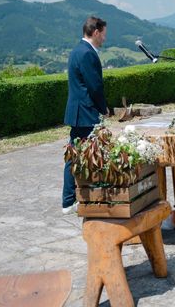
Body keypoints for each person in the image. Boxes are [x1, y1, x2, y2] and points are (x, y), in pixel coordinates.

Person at [62, 16, 109, 214]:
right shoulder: (88, 53)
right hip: (86, 112)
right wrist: (104, 108)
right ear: (96, 32)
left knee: (75, 154)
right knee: (83, 154)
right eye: (104, 34)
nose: (105, 39)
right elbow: (94, 86)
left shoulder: (77, 50)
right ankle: (71, 199)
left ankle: (73, 197)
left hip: (79, 111)